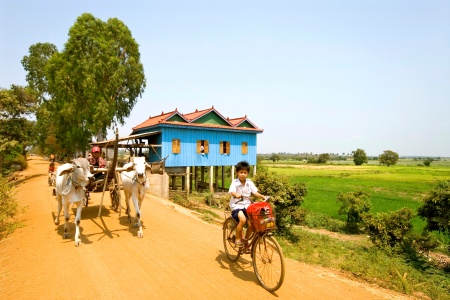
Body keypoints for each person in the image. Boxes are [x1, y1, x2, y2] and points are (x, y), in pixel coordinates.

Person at [228, 161, 266, 247]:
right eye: (241, 172)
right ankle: (238, 239)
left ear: (247, 173)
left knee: (252, 224)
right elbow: (232, 191)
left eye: (245, 172)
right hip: (236, 206)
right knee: (243, 220)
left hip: (248, 206)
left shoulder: (249, 182)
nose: (243, 174)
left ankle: (245, 239)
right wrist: (236, 194)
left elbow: (255, 192)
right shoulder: (235, 182)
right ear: (237, 172)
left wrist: (262, 196)